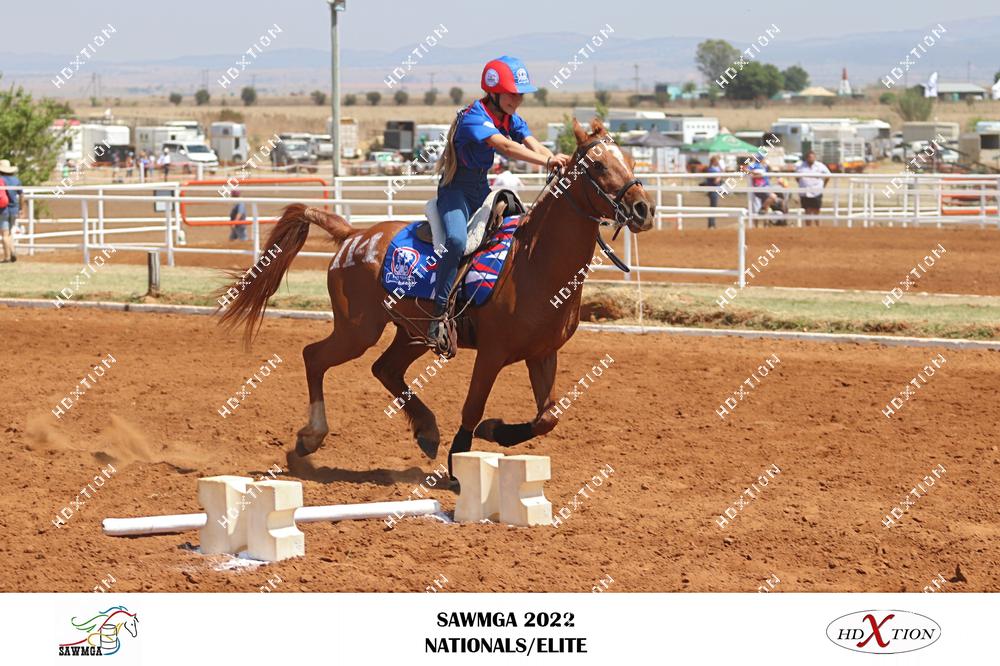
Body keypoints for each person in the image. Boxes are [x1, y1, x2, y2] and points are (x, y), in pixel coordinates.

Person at [428, 55, 570, 353]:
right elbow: (505, 146)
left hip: (482, 189)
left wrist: (556, 160)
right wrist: (547, 161)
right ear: (493, 92)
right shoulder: (474, 117)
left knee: (519, 231)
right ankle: (438, 313)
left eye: (520, 95)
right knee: (456, 240)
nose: (517, 100)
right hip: (455, 192)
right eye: (511, 93)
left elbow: (530, 141)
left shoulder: (509, 117)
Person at [796, 150, 831, 226]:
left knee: (816, 210)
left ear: (815, 158)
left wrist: (823, 185)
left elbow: (828, 175)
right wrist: (802, 184)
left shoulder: (820, 166)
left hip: (816, 192)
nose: (811, 159)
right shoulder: (800, 166)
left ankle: (818, 228)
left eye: (812, 157)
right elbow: (797, 177)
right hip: (805, 192)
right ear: (806, 158)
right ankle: (809, 228)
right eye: (809, 157)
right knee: (807, 210)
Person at [0, 159, 23, 263]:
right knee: (9, 233)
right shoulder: (16, 180)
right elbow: (21, 195)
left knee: (4, 234)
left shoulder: (1, 179)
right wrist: (21, 208)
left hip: (3, 209)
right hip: (14, 209)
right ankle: (10, 254)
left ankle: (9, 255)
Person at [702, 155, 722, 229]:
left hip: (715, 190)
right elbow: (716, 180)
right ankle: (711, 224)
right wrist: (720, 177)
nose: (718, 162)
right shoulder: (711, 170)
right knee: (713, 207)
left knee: (713, 207)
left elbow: (721, 172)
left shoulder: (713, 169)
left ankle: (712, 224)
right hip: (713, 190)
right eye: (717, 161)